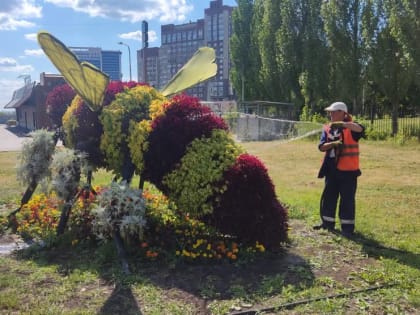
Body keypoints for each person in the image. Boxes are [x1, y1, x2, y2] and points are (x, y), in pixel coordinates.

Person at [314, 101, 365, 237]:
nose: (330, 114)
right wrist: (332, 144)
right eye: (330, 112)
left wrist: (343, 124)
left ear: (343, 113)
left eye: (334, 112)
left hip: (348, 171)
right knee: (329, 197)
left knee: (347, 199)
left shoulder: (351, 128)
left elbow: (361, 129)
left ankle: (347, 229)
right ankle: (327, 223)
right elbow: (321, 147)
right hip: (331, 169)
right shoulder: (327, 128)